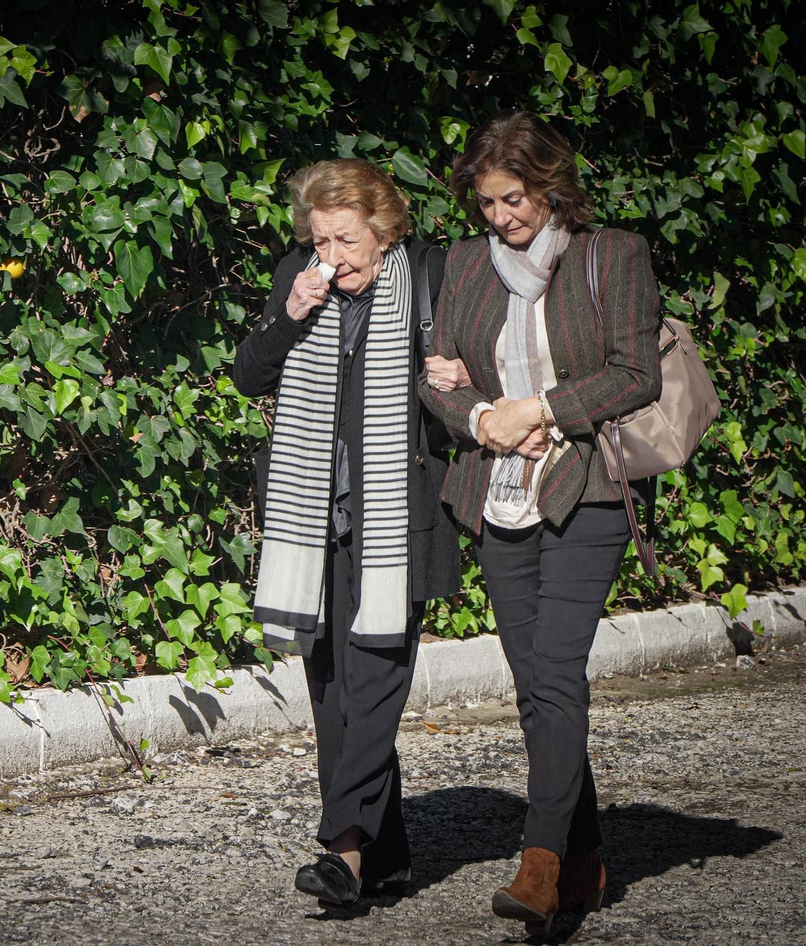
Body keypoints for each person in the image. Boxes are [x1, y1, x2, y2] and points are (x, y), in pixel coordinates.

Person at [417, 111, 663, 935]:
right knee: (536, 687)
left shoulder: (611, 256)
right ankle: (587, 858)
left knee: (555, 672)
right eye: (486, 202)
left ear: (552, 185)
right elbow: (438, 378)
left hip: (587, 488)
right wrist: (482, 417)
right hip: (497, 493)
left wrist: (544, 409)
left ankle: (541, 863)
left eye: (513, 199)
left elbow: (636, 373)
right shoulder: (463, 266)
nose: (499, 217)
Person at [231, 159, 461, 906]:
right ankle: (382, 854)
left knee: (373, 682)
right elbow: (248, 376)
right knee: (330, 690)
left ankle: (342, 848)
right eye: (321, 238)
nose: (332, 256)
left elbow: (471, 381)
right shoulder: (297, 276)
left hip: (398, 517)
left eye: (348, 240)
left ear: (385, 229)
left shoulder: (430, 273)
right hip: (313, 518)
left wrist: (461, 382)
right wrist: (289, 313)